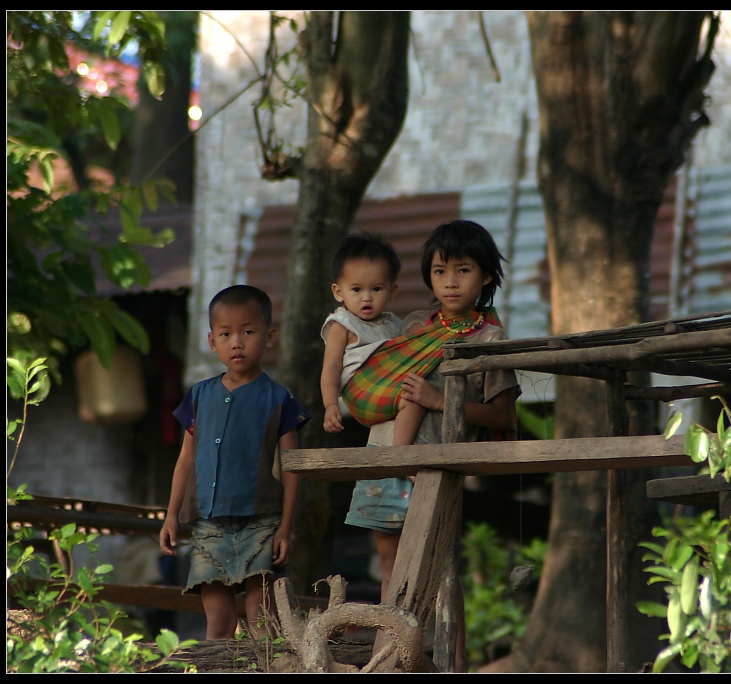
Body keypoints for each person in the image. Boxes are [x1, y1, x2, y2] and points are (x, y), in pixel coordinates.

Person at [344, 219, 520, 671]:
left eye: (463, 270)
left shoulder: (491, 339)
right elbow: (374, 373)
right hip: (385, 454)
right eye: (440, 272)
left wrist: (439, 400)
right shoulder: (412, 325)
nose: (451, 282)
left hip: (437, 464)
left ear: (485, 277)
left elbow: (501, 415)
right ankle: (390, 658)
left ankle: (454, 662)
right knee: (388, 564)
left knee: (441, 569)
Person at [158, 284, 310, 641]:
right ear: (213, 341)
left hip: (261, 524)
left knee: (261, 621)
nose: (237, 342)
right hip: (209, 526)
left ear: (269, 336)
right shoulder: (199, 396)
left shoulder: (278, 398)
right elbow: (185, 460)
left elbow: (291, 468)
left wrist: (285, 528)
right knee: (219, 624)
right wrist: (170, 515)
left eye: (248, 331)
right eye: (226, 334)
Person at [320, 232, 427, 447]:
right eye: (357, 289)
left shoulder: (394, 323)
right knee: (413, 400)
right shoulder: (342, 324)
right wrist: (331, 405)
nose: (367, 297)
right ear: (338, 292)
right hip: (361, 392)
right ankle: (401, 457)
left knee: (425, 391)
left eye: (376, 289)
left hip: (388, 388)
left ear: (392, 291)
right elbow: (331, 367)